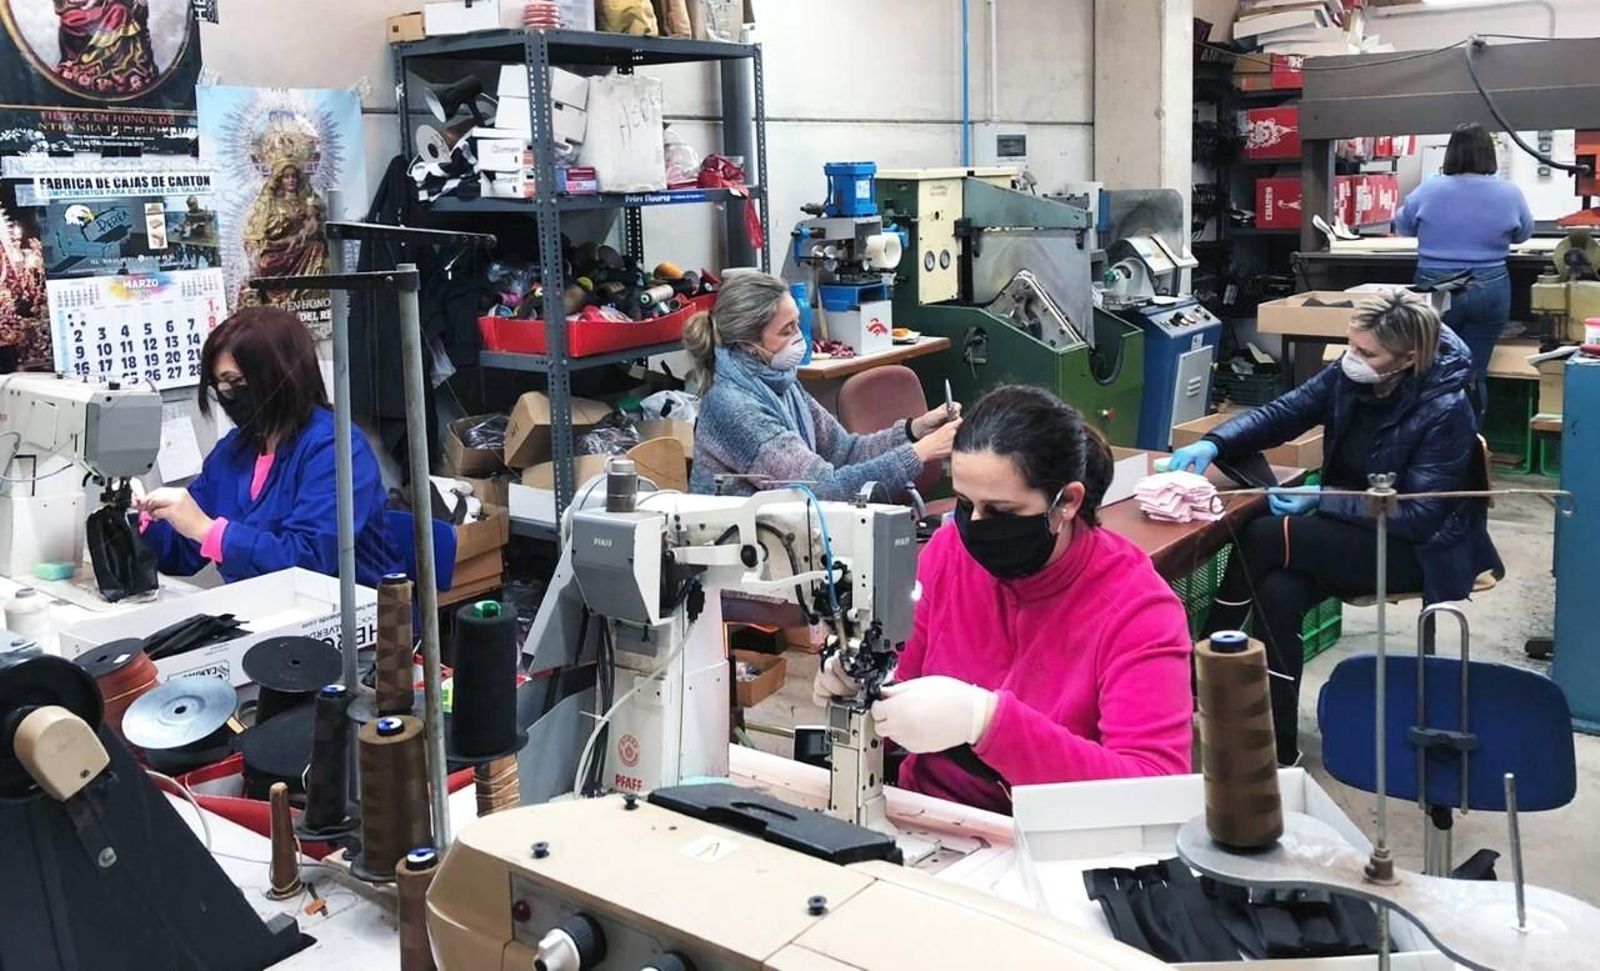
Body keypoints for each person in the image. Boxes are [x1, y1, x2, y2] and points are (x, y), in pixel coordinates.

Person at [812, 386, 1193, 814]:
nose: (974, 525)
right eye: (964, 502)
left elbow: (1153, 795)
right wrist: (860, 686)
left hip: (1058, 834)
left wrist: (989, 722)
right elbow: (900, 677)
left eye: (1001, 511)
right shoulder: (949, 552)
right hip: (933, 813)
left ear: (1067, 502)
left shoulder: (1138, 609)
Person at [1170, 291, 1503, 765]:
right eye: (1351, 345)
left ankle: (1200, 666)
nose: (1353, 359)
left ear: (1409, 358)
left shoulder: (1446, 408)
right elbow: (1286, 412)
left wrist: (1321, 497)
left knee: (1262, 536)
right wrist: (1215, 443)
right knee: (1278, 592)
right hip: (1351, 530)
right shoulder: (1353, 375)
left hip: (1418, 550)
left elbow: (1419, 516)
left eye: (1368, 353)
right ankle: (1278, 747)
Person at [139, 306, 394, 586]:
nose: (226, 394)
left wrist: (208, 531)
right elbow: (180, 553)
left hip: (349, 608)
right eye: (219, 384)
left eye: (234, 382)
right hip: (266, 605)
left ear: (280, 376)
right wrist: (140, 517)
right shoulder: (233, 452)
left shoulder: (336, 449)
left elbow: (310, 559)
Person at [686, 271, 961, 499]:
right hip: (744, 543)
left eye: (797, 324)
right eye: (787, 330)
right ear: (748, 345)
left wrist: (916, 430)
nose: (799, 337)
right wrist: (921, 452)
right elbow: (822, 490)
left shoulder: (783, 385)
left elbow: (846, 452)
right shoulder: (733, 407)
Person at [1394, 122, 1534, 414]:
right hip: (1490, 284)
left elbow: (1403, 226)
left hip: (1436, 287)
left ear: (1451, 154)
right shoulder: (1509, 192)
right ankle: (1468, 437)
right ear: (1489, 155)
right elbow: (1523, 234)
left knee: (1427, 367)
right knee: (1473, 371)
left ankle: (1425, 434)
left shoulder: (1429, 189)